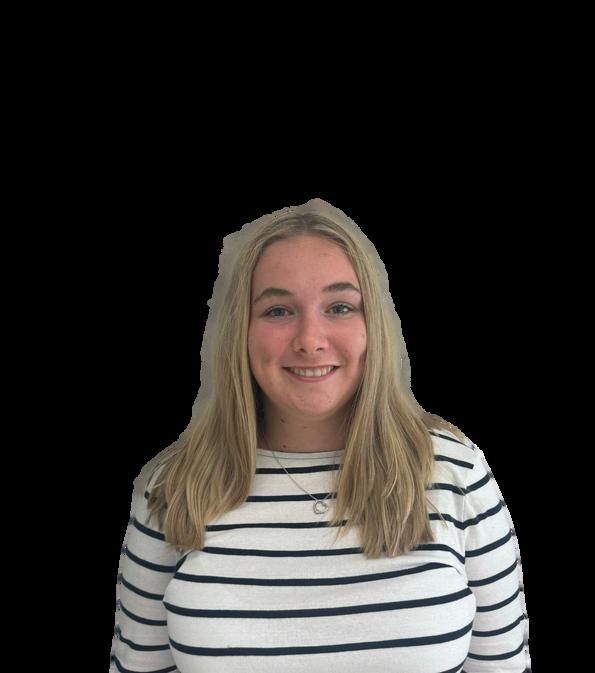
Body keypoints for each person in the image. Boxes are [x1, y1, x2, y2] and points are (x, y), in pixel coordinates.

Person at [110, 198, 530, 672]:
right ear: (241, 331)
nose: (310, 339)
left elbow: (502, 666)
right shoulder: (174, 487)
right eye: (277, 310)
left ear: (373, 327)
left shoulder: (455, 473)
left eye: (339, 307)